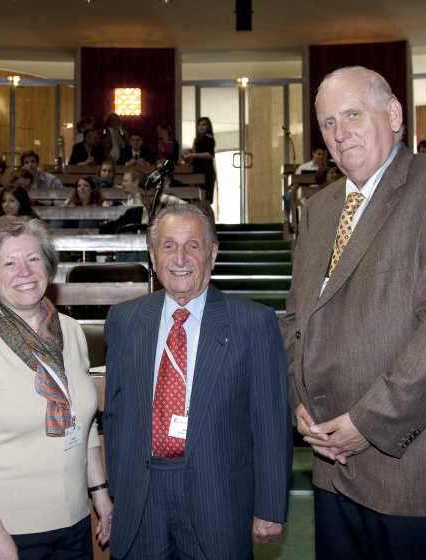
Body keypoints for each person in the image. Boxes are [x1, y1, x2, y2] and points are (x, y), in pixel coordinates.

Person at [280, 66, 426, 560]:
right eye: (329, 123)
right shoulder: (319, 208)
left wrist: (370, 422)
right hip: (332, 460)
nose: (340, 133)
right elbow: (295, 320)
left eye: (353, 114)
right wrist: (300, 407)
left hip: (413, 462)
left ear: (394, 114)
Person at [103, 204, 292, 559]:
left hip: (217, 494)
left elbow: (271, 423)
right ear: (153, 255)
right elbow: (115, 414)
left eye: (193, 245)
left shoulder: (253, 323)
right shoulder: (124, 319)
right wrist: (118, 491)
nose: (181, 258)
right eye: (169, 246)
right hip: (141, 496)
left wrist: (269, 506)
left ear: (213, 253)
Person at [0, 215, 112, 560]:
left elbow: (81, 420)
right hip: (0, 531)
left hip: (73, 523)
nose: (25, 271)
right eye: (9, 262)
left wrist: (99, 493)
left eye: (33, 258)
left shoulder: (71, 332)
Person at [183, 117, 217, 206]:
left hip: (206, 172)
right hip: (197, 171)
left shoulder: (209, 139)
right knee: (199, 201)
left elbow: (210, 154)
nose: (201, 127)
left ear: (208, 126)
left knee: (206, 202)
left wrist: (194, 155)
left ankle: (210, 220)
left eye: (203, 125)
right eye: (199, 125)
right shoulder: (197, 140)